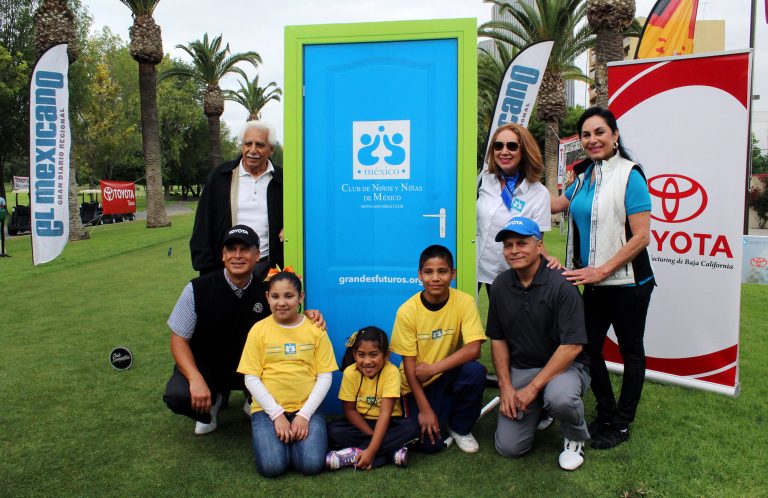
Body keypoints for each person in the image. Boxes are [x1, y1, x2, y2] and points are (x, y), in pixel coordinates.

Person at [551, 106, 654, 450]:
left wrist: (603, 269)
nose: (592, 140)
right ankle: (606, 413)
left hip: (629, 284)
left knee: (631, 352)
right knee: (589, 349)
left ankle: (622, 424)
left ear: (614, 136)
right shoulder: (582, 176)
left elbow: (642, 237)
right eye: (586, 134)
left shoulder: (631, 175)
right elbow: (555, 205)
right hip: (592, 284)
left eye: (599, 132)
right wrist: (517, 182)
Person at [163, 225, 323, 435]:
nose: (237, 255)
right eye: (231, 249)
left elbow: (289, 316)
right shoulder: (197, 288)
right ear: (223, 255)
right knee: (177, 395)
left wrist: (309, 314)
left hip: (250, 372)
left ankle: (252, 400)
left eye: (244, 249)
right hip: (207, 369)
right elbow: (179, 340)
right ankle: (211, 403)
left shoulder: (268, 292)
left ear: (257, 255)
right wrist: (195, 379)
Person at [487, 217, 590, 471]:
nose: (514, 251)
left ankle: (575, 437)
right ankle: (540, 411)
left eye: (522, 243)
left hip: (565, 368)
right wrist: (506, 386)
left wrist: (533, 388)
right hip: (522, 367)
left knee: (561, 398)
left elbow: (572, 346)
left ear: (539, 245)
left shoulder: (561, 284)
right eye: (508, 245)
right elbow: (498, 339)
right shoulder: (500, 284)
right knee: (509, 448)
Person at [238, 271, 338, 477]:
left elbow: (325, 376)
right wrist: (277, 415)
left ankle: (296, 440)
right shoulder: (258, 330)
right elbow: (251, 378)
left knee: (311, 465)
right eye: (275, 296)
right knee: (272, 467)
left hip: (306, 409)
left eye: (289, 296)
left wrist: (304, 415)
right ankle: (282, 442)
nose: (281, 302)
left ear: (300, 297)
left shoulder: (315, 329)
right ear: (267, 298)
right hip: (267, 412)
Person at [390, 245, 487, 454]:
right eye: (428, 272)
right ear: (419, 275)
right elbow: (409, 367)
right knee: (429, 445)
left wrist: (434, 369)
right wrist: (424, 409)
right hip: (417, 383)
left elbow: (474, 349)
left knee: (475, 371)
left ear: (453, 274)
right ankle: (438, 414)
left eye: (442, 271)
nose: (435, 278)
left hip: (442, 373)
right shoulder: (407, 311)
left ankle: (460, 427)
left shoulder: (464, 302)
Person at [190, 120, 283, 277]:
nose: (252, 150)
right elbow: (203, 224)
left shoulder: (283, 180)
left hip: (268, 270)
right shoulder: (221, 176)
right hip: (227, 269)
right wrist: (207, 271)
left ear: (271, 149)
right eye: (248, 144)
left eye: (259, 145)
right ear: (242, 146)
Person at [477, 123, 559, 298]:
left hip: (508, 274)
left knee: (505, 325)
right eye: (498, 146)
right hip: (472, 269)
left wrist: (550, 260)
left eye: (512, 146)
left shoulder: (539, 194)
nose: (504, 151)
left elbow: (538, 242)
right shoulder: (484, 181)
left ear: (525, 151)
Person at [326, 326, 419, 470]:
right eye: (361, 355)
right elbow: (349, 411)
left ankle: (356, 455)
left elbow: (385, 414)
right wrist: (371, 435)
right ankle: (390, 454)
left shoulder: (392, 372)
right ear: (355, 354)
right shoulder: (350, 373)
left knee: (412, 427)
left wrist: (371, 450)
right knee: (332, 430)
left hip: (389, 423)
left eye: (373, 355)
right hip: (362, 424)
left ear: (386, 355)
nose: (367, 361)